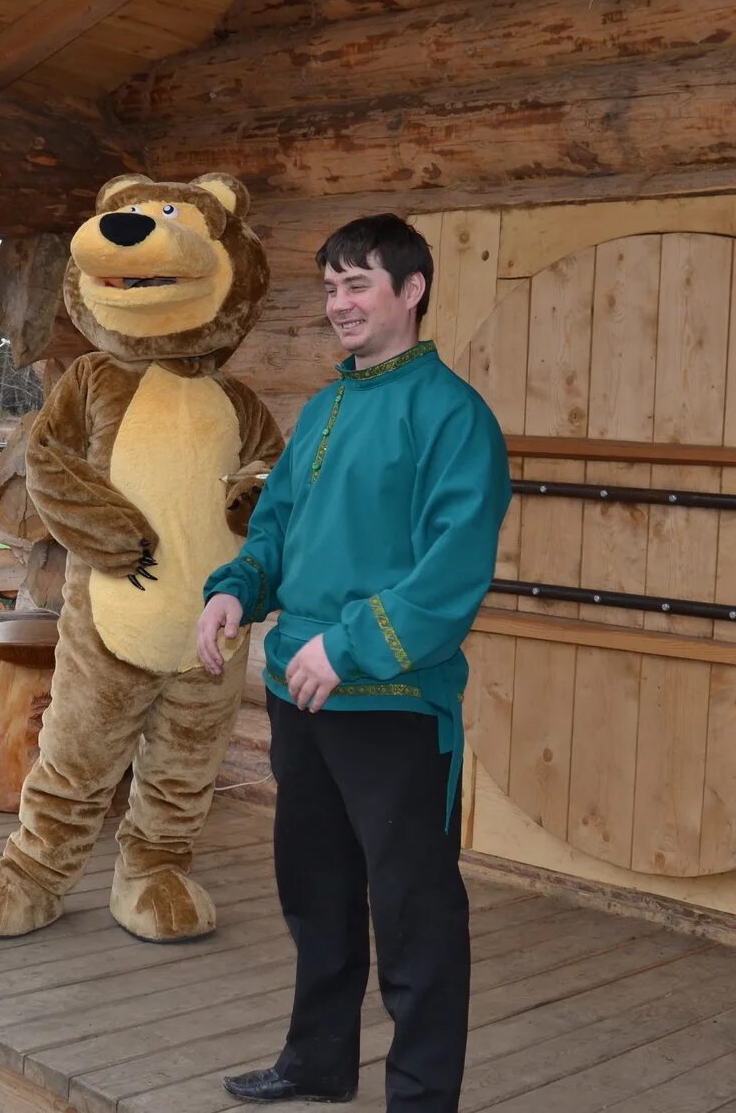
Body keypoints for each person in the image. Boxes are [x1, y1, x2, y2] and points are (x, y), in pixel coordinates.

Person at [197, 214, 511, 1111]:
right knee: (317, 891)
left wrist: (353, 642)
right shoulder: (326, 408)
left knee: (415, 913)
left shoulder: (454, 417)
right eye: (331, 287)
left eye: (357, 284)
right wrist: (234, 588)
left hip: (395, 704)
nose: (338, 303)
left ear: (411, 291)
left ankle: (418, 1098)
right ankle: (318, 1062)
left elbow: (452, 569)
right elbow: (277, 530)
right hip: (303, 692)